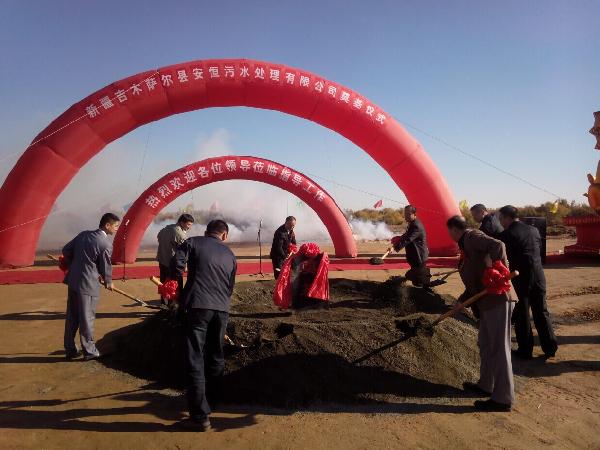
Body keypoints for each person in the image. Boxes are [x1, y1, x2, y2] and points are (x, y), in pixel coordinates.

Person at [172, 219, 237, 431]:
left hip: (198, 307)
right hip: (222, 310)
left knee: (195, 358)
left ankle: (199, 417)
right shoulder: (230, 254)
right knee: (216, 355)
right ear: (224, 235)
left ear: (206, 232)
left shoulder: (193, 242)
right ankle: (213, 402)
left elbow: (176, 264)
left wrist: (177, 291)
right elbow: (230, 288)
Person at [446, 215, 515, 412]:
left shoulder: (471, 236)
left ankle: (503, 398)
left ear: (454, 229)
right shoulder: (466, 245)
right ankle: (486, 384)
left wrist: (499, 271)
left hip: (498, 299)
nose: (449, 235)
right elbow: (476, 281)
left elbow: (498, 245)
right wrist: (461, 301)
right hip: (487, 302)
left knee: (499, 348)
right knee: (485, 344)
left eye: (449, 231)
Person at [498, 205, 558, 359]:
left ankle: (525, 350)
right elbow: (538, 251)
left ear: (507, 217)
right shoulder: (534, 230)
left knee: (522, 314)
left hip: (521, 278)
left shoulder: (506, 235)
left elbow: (505, 260)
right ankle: (550, 347)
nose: (500, 221)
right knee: (541, 311)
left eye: (501, 218)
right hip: (538, 276)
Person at [62, 213, 120, 361]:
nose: (116, 229)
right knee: (86, 318)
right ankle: (90, 351)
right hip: (88, 285)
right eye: (115, 226)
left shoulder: (83, 235)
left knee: (72, 317)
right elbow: (105, 266)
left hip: (73, 281)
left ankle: (70, 349)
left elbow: (66, 250)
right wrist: (108, 281)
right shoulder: (105, 243)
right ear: (107, 225)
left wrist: (74, 265)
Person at [156, 214, 194, 303]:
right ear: (182, 222)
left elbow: (158, 237)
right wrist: (185, 265)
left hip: (162, 261)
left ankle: (164, 303)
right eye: (188, 224)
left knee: (164, 283)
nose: (189, 227)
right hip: (173, 264)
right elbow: (185, 251)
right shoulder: (179, 233)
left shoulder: (166, 228)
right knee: (175, 286)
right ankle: (174, 305)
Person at [391, 205, 429, 286]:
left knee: (419, 280)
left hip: (419, 257)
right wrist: (399, 238)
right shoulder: (412, 223)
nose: (406, 216)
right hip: (415, 257)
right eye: (405, 214)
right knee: (416, 280)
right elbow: (406, 235)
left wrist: (395, 248)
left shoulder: (416, 225)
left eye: (408, 214)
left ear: (414, 214)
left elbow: (408, 239)